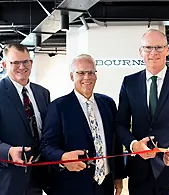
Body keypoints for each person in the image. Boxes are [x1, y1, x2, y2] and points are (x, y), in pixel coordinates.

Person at [115, 29, 169, 195]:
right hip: (139, 173)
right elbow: (120, 124)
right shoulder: (129, 83)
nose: (153, 52)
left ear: (167, 50)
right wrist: (134, 145)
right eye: (148, 48)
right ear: (141, 52)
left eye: (159, 47)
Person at [40, 54, 125, 195]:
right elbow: (46, 145)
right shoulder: (58, 107)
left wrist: (119, 176)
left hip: (104, 186)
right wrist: (63, 158)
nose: (87, 77)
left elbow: (115, 143)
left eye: (91, 72)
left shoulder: (108, 103)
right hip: (71, 186)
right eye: (81, 73)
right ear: (72, 76)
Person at [0, 43, 50, 195]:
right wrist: (8, 151)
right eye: (15, 62)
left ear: (31, 63)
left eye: (25, 62)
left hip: (39, 176)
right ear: (4, 64)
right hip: (8, 178)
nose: (22, 67)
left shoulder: (43, 93)